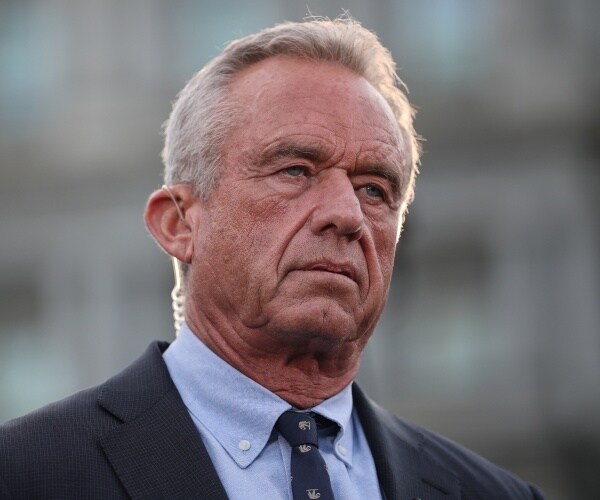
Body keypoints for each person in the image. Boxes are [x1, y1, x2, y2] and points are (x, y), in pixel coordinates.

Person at [0, 17, 544, 500]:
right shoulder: (24, 475)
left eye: (375, 190)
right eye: (295, 171)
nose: (348, 214)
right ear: (179, 224)